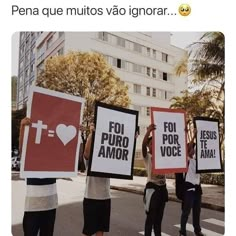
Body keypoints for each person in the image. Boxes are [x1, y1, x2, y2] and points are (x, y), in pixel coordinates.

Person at [19, 117, 58, 236]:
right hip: (33, 206)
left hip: (50, 205)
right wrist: (22, 127)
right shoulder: (31, 156)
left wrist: (78, 133)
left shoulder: (54, 158)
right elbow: (22, 149)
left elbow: (68, 152)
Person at [82, 123, 111, 236]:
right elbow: (86, 152)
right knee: (88, 231)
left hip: (105, 198)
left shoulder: (108, 158)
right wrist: (92, 133)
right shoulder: (90, 160)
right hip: (91, 198)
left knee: (100, 230)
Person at [142, 124, 168, 236]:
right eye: (151, 143)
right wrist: (148, 131)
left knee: (159, 219)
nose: (153, 145)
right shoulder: (147, 156)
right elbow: (143, 145)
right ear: (148, 146)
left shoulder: (162, 156)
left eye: (155, 143)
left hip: (162, 189)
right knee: (150, 218)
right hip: (152, 189)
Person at [179, 129, 205, 236]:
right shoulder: (187, 159)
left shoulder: (199, 161)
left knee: (196, 212)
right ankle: (182, 231)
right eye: (191, 148)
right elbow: (187, 148)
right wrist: (193, 135)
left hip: (197, 189)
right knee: (186, 212)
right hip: (189, 189)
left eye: (193, 148)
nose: (192, 150)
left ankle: (197, 230)